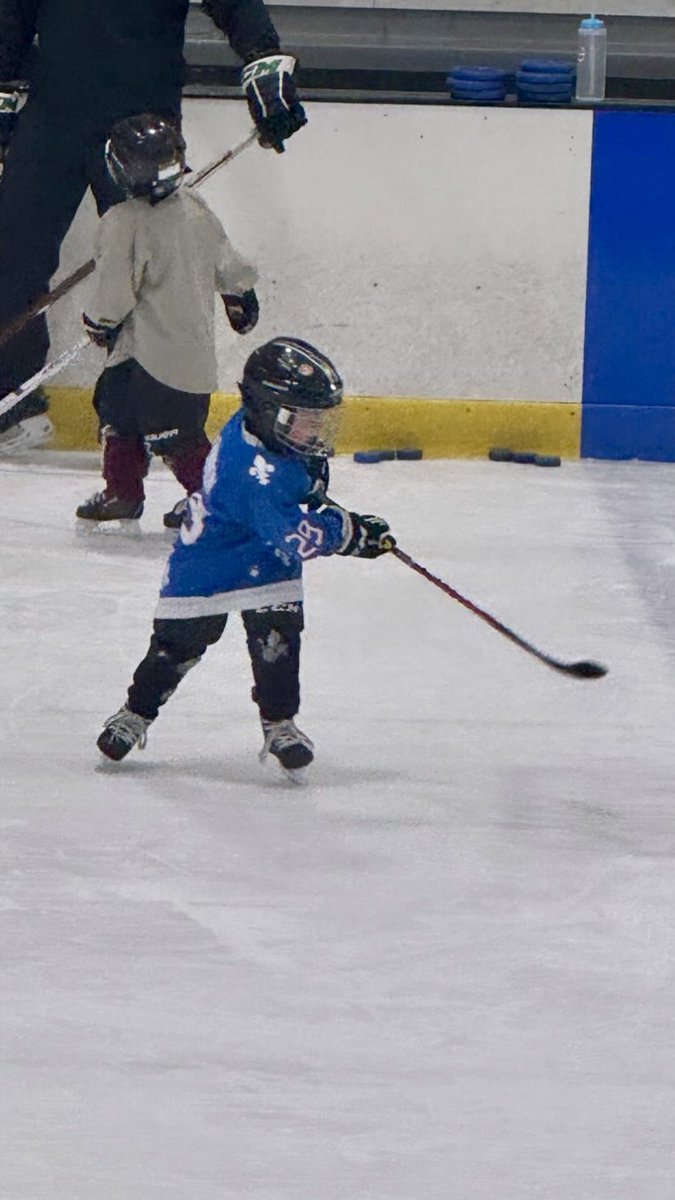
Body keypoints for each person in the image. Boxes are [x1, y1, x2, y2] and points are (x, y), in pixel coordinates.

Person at [0, 0, 306, 454]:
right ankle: (14, 404)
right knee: (12, 254)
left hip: (144, 117)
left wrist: (262, 57)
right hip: (54, 110)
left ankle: (134, 419)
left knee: (148, 275)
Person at [96, 336, 394, 780]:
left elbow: (294, 503)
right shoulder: (252, 471)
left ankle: (279, 723)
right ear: (268, 410)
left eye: (318, 419)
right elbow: (297, 535)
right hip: (209, 565)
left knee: (278, 638)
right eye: (304, 419)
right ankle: (136, 711)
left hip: (265, 554)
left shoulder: (268, 434)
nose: (314, 430)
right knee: (176, 646)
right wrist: (351, 532)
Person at [75, 112, 259, 529]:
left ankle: (210, 498)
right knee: (116, 410)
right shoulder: (194, 205)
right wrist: (239, 293)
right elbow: (226, 259)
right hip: (163, 353)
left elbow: (114, 293)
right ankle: (122, 491)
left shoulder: (122, 223)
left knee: (175, 435)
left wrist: (98, 321)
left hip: (156, 357)